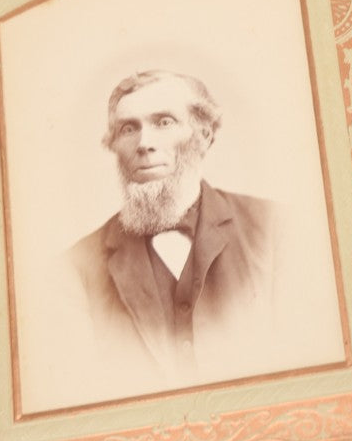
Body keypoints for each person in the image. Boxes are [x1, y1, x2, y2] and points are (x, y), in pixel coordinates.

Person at [66, 69, 278, 386]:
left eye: (164, 122)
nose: (144, 143)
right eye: (128, 129)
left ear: (204, 136)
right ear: (114, 147)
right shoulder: (76, 267)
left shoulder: (275, 228)